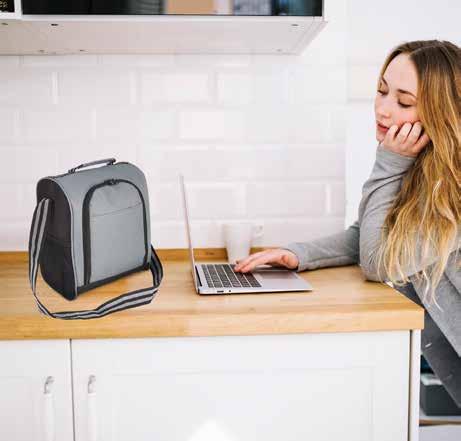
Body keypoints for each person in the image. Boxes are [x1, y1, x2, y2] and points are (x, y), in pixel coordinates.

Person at [234, 40, 461, 407]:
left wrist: (388, 163)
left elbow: (380, 261)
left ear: (442, 113)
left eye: (404, 102)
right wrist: (299, 254)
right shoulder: (419, 164)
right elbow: (373, 236)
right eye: (382, 91)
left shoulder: (453, 188)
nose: (383, 109)